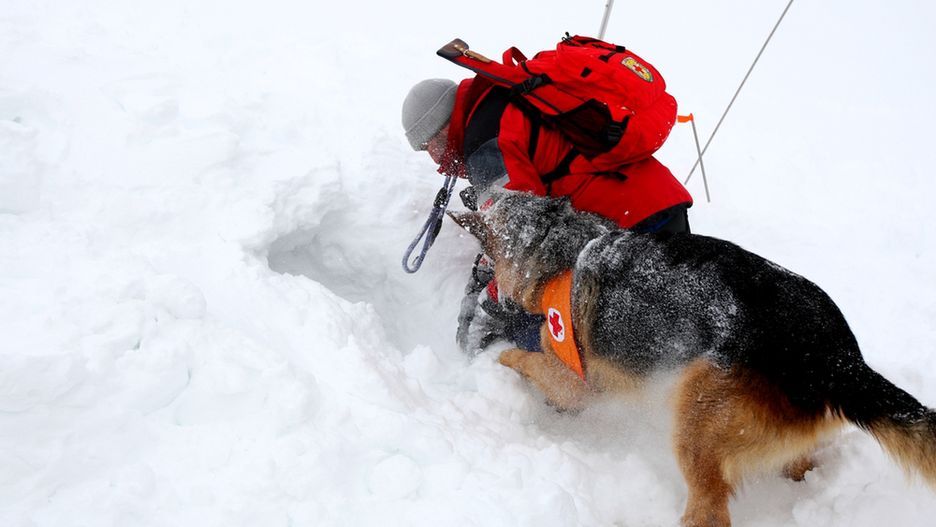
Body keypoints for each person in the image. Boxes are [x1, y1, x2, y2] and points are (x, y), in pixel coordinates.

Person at [402, 77, 693, 354]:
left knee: (530, 330)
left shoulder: (486, 146)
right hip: (657, 204)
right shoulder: (503, 102)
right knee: (678, 330)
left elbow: (521, 249)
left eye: (433, 147)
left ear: (446, 126)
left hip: (627, 230)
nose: (438, 161)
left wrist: (485, 313)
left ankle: (568, 402)